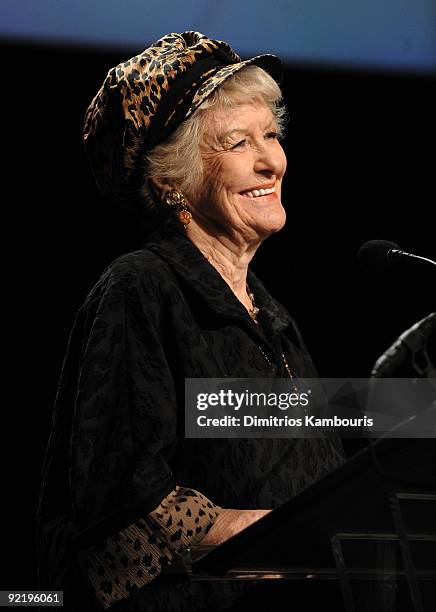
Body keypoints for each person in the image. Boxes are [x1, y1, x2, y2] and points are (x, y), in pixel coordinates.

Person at [36, 31, 344, 611]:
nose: (271, 160)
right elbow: (125, 500)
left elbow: (323, 487)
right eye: (238, 142)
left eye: (272, 135)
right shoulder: (142, 289)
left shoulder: (274, 318)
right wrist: (278, 534)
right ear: (173, 181)